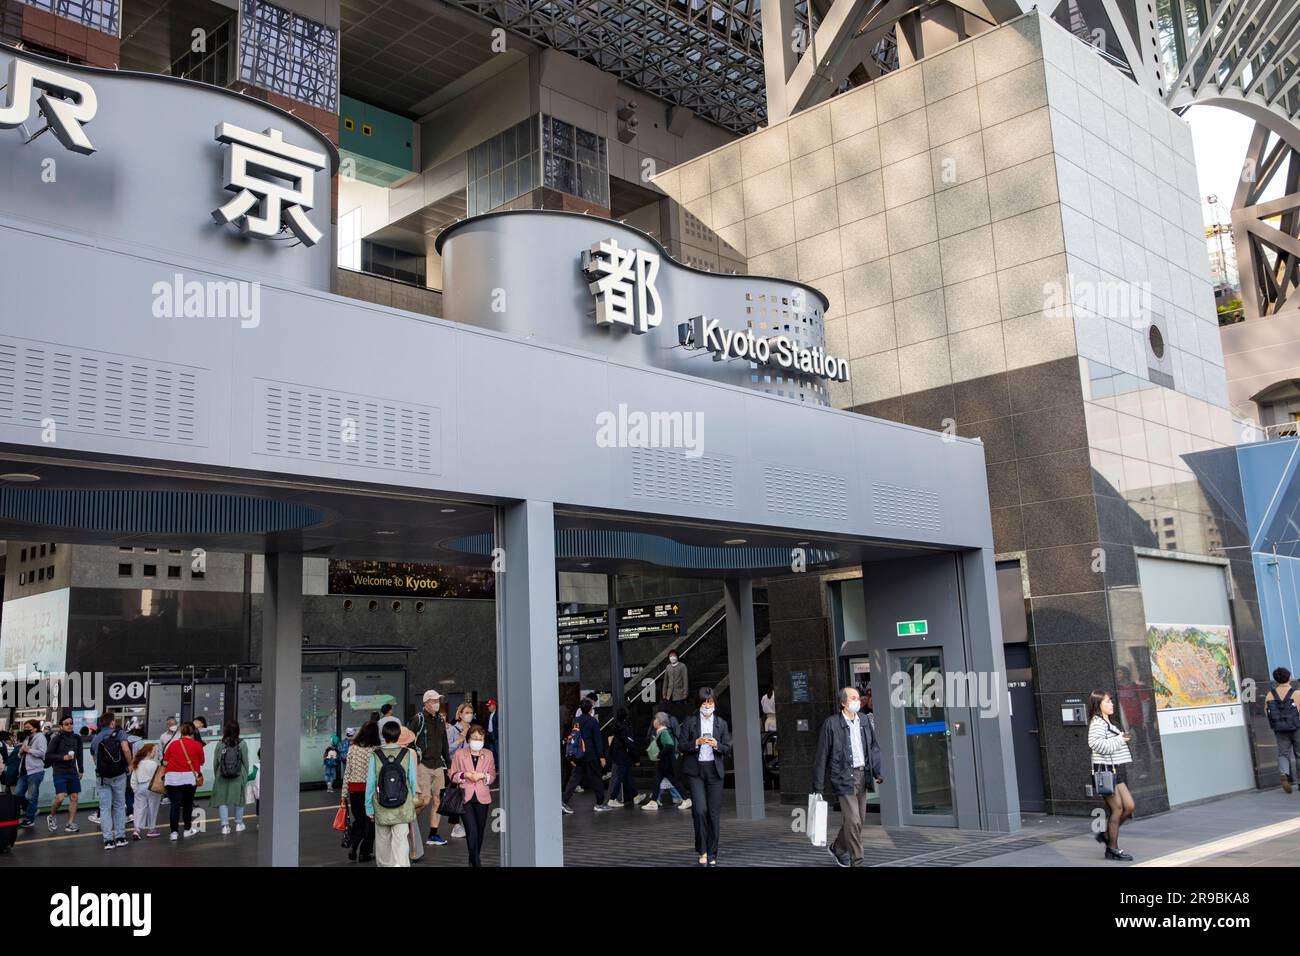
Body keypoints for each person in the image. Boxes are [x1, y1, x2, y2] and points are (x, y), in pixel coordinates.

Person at [812, 687, 883, 867]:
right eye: (853, 698)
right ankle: (857, 860)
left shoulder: (865, 720)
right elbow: (822, 755)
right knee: (854, 820)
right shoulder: (831, 724)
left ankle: (837, 848)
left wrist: (877, 771)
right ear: (843, 702)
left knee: (859, 821)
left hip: (863, 775)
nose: (857, 701)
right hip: (843, 777)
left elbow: (873, 747)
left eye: (858, 698)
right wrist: (818, 787)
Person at [677, 688, 731, 865]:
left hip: (714, 772)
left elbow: (728, 748)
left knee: (713, 814)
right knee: (700, 810)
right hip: (695, 771)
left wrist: (717, 745)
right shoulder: (690, 721)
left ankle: (712, 852)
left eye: (710, 702)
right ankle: (702, 850)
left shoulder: (721, 723)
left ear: (715, 703)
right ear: (699, 704)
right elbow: (681, 746)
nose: (707, 706)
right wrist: (696, 743)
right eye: (704, 702)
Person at [1088, 689, 1135, 861]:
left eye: (1111, 701)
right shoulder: (1097, 722)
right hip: (1105, 771)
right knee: (1118, 809)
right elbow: (1095, 744)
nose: (1111, 704)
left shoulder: (1107, 721)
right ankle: (1112, 849)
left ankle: (1107, 834)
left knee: (1129, 806)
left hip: (1114, 769)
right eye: (1107, 701)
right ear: (1098, 704)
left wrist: (1120, 738)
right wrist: (1120, 739)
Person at [365, 719, 418, 868]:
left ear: (383, 735)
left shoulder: (375, 755)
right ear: (398, 735)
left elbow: (370, 784)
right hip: (402, 805)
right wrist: (411, 799)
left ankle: (385, 865)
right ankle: (400, 864)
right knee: (401, 841)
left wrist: (369, 808)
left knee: (382, 842)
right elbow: (412, 781)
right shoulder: (406, 753)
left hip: (381, 805)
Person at [408, 690, 451, 847]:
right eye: (433, 700)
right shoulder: (418, 719)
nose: (436, 703)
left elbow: (444, 743)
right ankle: (408, 823)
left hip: (438, 765)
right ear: (425, 703)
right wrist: (416, 757)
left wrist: (449, 763)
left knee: (438, 800)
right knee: (424, 801)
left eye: (438, 700)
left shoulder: (440, 720)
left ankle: (433, 834)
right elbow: (408, 739)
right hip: (423, 765)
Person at [449, 725, 495, 866]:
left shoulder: (488, 754)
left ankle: (473, 858)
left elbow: (492, 775)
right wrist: (465, 775)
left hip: (482, 797)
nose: (477, 741)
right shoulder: (460, 754)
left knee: (480, 830)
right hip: (465, 797)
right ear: (469, 739)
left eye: (480, 738)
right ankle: (476, 862)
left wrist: (484, 776)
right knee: (471, 830)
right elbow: (452, 774)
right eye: (474, 738)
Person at [89, 711, 132, 850]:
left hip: (102, 777)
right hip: (119, 775)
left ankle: (108, 840)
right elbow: (125, 749)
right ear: (112, 722)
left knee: (105, 808)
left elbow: (94, 758)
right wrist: (130, 764)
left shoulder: (96, 738)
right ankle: (120, 837)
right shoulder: (119, 734)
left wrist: (101, 769)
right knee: (119, 806)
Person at [562, 697, 610, 813]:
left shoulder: (576, 721)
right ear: (590, 709)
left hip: (578, 754)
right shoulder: (593, 721)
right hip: (590, 755)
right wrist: (601, 756)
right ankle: (599, 803)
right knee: (596, 778)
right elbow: (597, 740)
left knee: (574, 779)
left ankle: (564, 801)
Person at [161, 721, 205, 841]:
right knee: (187, 805)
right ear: (192, 732)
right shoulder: (197, 745)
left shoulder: (173, 744)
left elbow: (165, 762)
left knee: (174, 805)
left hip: (172, 779)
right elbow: (201, 761)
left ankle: (174, 833)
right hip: (189, 778)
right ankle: (187, 830)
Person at [344, 720, 379, 862]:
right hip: (369, 790)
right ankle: (365, 852)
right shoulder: (375, 750)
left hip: (354, 788)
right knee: (370, 822)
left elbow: (347, 771)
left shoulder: (353, 748)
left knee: (358, 820)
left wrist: (343, 794)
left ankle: (353, 846)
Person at [637, 713, 689, 810]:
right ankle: (653, 802)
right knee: (658, 782)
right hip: (664, 763)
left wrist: (659, 754)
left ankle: (686, 799)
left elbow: (670, 745)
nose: (654, 721)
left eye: (655, 719)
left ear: (660, 721)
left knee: (674, 782)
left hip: (666, 764)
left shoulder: (664, 732)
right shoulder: (660, 732)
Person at [46, 715, 84, 833]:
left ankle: (70, 823)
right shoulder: (56, 739)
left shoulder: (77, 738)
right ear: (61, 726)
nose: (70, 725)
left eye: (71, 723)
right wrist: (63, 757)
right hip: (60, 771)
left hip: (72, 771)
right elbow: (48, 755)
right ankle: (51, 816)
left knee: (74, 797)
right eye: (67, 724)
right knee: (60, 797)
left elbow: (80, 755)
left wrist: (81, 769)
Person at [211, 721, 249, 835]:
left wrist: (217, 774)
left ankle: (225, 826)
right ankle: (238, 824)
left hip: (222, 775)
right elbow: (245, 761)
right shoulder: (242, 743)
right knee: (239, 799)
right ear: (238, 730)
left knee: (222, 800)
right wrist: (245, 775)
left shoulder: (220, 744)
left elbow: (215, 762)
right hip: (238, 775)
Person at [1266, 666, 1300, 793]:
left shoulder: (1270, 694)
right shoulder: (1296, 693)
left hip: (1280, 729)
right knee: (1299, 754)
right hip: (1296, 727)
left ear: (1276, 680)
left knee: (1283, 754)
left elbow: (1267, 712)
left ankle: (1284, 773)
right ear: (1289, 678)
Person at [446, 702, 475, 837]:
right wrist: (458, 741)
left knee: (468, 795)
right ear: (460, 714)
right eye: (466, 712)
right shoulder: (453, 730)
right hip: (456, 766)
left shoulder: (472, 729)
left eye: (471, 712)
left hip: (470, 766)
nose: (469, 715)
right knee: (457, 795)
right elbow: (446, 749)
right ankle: (456, 825)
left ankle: (465, 824)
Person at [605, 707, 640, 808]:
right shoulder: (625, 728)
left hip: (617, 754)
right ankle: (612, 798)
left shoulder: (616, 727)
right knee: (620, 777)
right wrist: (636, 758)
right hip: (624, 756)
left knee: (626, 776)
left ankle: (636, 795)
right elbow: (630, 744)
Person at [15, 718, 46, 829]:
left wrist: (29, 750)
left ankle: (29, 819)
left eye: (28, 728)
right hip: (23, 771)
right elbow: (20, 754)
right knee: (18, 794)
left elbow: (42, 753)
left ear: (35, 728)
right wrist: (22, 751)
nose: (26, 729)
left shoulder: (40, 738)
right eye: (25, 727)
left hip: (35, 771)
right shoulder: (27, 738)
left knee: (32, 796)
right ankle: (31, 810)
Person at [129, 743, 162, 839]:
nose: (155, 753)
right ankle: (151, 829)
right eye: (154, 751)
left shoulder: (137, 763)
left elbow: (133, 779)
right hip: (152, 787)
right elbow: (157, 778)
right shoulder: (154, 764)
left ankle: (137, 830)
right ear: (149, 752)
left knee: (139, 809)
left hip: (140, 787)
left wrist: (135, 789)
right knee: (153, 808)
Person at [663, 650, 689, 718]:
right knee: (669, 711)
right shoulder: (668, 667)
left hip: (679, 693)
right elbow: (665, 681)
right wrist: (664, 693)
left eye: (674, 656)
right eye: (670, 656)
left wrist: (685, 693)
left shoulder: (682, 666)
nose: (672, 657)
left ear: (677, 656)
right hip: (669, 694)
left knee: (679, 711)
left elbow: (685, 680)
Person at [485, 698, 500, 768]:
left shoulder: (498, 715)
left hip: (495, 736)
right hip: (490, 735)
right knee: (492, 752)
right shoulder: (489, 715)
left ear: (494, 706)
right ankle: (495, 766)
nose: (488, 707)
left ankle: (498, 765)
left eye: (489, 706)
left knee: (497, 751)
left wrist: (496, 734)